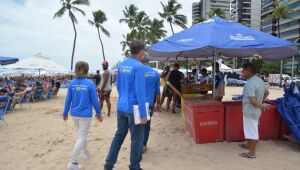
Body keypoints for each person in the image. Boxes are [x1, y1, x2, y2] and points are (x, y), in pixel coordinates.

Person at [104, 40, 147, 170]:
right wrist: (144, 114)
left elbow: (118, 85)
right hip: (134, 108)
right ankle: (134, 167)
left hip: (121, 106)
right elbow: (140, 92)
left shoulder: (122, 65)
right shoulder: (139, 67)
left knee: (119, 136)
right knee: (136, 140)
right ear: (141, 52)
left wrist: (123, 97)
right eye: (144, 50)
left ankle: (108, 165)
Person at [63, 61, 103, 170]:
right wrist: (99, 113)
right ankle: (73, 162)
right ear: (86, 70)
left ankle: (85, 153)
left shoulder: (72, 83)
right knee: (82, 136)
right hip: (85, 115)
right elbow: (95, 101)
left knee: (82, 134)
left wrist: (65, 112)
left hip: (74, 114)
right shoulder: (90, 84)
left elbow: (68, 100)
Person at [239, 63, 269, 159]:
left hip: (250, 111)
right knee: (251, 129)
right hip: (255, 111)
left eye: (243, 71)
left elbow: (253, 101)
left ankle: (252, 153)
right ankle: (249, 145)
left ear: (248, 71)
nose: (242, 73)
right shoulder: (259, 80)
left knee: (252, 131)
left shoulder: (250, 83)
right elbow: (267, 92)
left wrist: (261, 105)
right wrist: (261, 103)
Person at [142, 56, 160, 153]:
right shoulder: (155, 73)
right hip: (149, 103)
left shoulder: (137, 71)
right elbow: (157, 91)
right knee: (147, 125)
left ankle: (137, 144)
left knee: (137, 124)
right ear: (148, 61)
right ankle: (144, 145)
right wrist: (158, 103)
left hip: (137, 103)